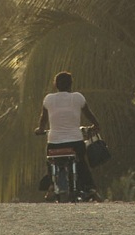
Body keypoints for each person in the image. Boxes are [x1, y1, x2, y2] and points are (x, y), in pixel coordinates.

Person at [35, 71, 102, 202]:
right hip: (75, 142)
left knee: (50, 161)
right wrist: (96, 125)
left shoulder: (48, 99)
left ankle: (51, 186)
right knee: (82, 162)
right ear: (71, 85)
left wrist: (40, 130)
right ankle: (90, 189)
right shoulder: (78, 98)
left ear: (56, 85)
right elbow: (89, 115)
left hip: (54, 143)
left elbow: (43, 121)